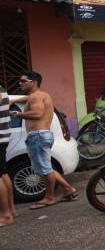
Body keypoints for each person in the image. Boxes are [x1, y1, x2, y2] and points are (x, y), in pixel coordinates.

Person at [10, 71, 78, 210]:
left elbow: (37, 113)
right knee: (46, 167)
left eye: (23, 81)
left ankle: (49, 197)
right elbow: (28, 99)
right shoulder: (41, 95)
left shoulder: (35, 97)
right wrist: (15, 100)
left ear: (33, 82)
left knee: (45, 169)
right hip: (42, 135)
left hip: (38, 136)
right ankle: (68, 189)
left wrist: (17, 113)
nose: (20, 83)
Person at [0, 84, 14, 225]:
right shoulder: (3, 89)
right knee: (3, 173)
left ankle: (6, 216)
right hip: (3, 137)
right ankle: (11, 210)